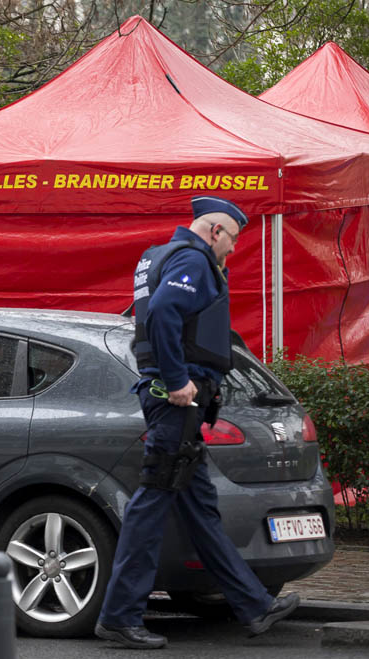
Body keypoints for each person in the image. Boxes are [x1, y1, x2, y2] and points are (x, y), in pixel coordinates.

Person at [94, 195, 300, 650]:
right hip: (174, 404)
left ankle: (253, 606)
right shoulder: (192, 258)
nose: (232, 252)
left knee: (201, 509)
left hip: (178, 405)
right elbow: (166, 313)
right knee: (151, 505)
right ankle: (118, 616)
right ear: (214, 231)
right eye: (232, 241)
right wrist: (179, 380)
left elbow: (159, 321)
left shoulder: (159, 257)